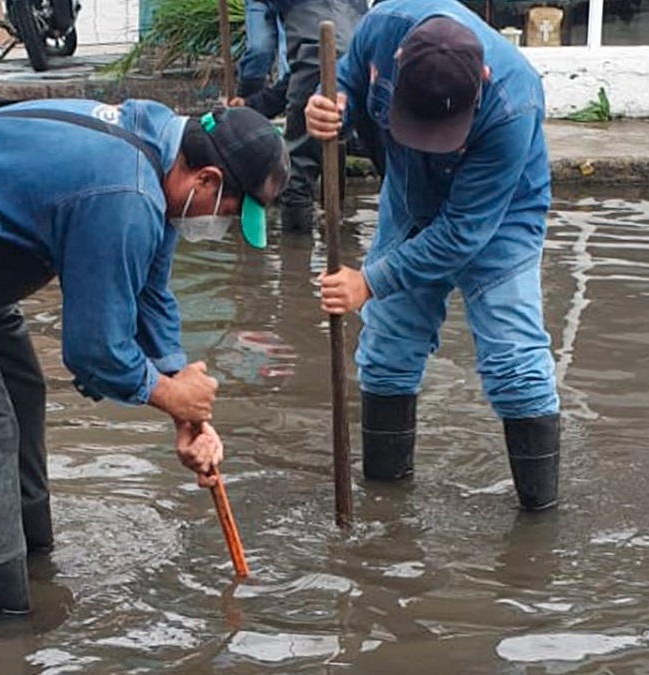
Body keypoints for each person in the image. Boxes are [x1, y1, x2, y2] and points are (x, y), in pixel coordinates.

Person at [0, 99, 289, 614]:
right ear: (205, 180)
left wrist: (181, 394)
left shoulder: (161, 155)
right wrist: (169, 396)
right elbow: (95, 353)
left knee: (20, 391)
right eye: (228, 212)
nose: (220, 225)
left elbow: (150, 295)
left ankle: (33, 563)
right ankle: (0, 622)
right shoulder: (128, 193)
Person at [304, 0, 561, 510]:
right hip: (409, 192)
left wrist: (369, 282)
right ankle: (385, 507)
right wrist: (331, 103)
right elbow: (349, 79)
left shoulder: (514, 101)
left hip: (499, 215)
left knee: (515, 366)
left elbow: (462, 234)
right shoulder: (383, 27)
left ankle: (540, 522)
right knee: (385, 354)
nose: (436, 143)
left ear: (483, 78)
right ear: (397, 61)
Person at [229, 0, 367, 233]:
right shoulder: (349, 17)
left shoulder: (307, 22)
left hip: (331, 67)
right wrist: (254, 105)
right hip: (360, 66)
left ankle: (295, 258)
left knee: (296, 178)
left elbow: (310, 70)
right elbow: (299, 77)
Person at [238, 0, 289, 98]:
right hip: (260, 2)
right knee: (259, 49)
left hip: (295, 4)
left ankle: (291, 106)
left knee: (287, 58)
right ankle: (247, 102)